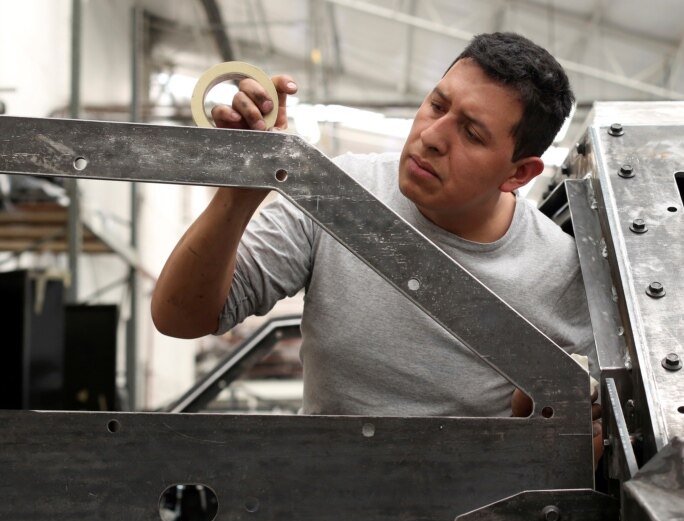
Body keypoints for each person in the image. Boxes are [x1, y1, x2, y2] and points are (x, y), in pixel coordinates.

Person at [152, 32, 601, 459]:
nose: (431, 136)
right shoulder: (337, 192)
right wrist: (239, 192)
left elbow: (591, 443)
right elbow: (180, 316)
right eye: (436, 105)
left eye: (472, 133)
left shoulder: (559, 275)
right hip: (322, 513)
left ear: (519, 174)